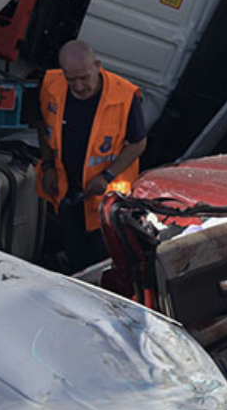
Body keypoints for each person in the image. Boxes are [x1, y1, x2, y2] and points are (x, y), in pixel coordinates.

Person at [36, 39, 147, 270]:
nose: (78, 86)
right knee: (76, 256)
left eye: (84, 78)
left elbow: (138, 143)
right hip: (68, 192)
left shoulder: (124, 96)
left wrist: (107, 176)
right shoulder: (52, 86)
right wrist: (47, 166)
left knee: (101, 262)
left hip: (105, 198)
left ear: (97, 65)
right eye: (71, 79)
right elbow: (44, 126)